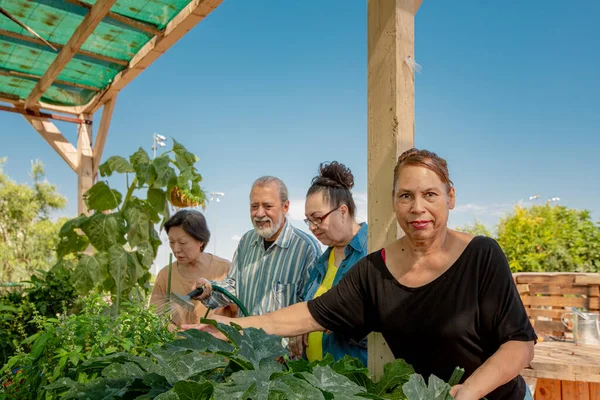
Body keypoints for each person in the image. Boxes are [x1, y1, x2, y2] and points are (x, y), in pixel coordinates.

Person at [184, 149, 536, 400]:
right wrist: (227, 328)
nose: (418, 208)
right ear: (394, 202)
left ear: (451, 197)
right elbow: (306, 315)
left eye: (430, 194)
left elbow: (520, 343)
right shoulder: (375, 271)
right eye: (405, 196)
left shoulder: (481, 255)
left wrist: (470, 391)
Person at [197, 176, 322, 320]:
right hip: (245, 340)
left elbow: (312, 306)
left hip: (283, 342)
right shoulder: (246, 242)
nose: (259, 214)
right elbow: (234, 286)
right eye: (254, 206)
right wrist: (209, 290)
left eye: (268, 206)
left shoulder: (306, 249)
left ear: (285, 207)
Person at [289, 161, 368, 366]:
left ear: (343, 211)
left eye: (317, 218)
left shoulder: (372, 252)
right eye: (308, 220)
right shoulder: (322, 261)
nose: (312, 228)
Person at [149, 209, 230, 327]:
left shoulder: (224, 269)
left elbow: (238, 314)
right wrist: (174, 332)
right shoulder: (166, 275)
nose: (176, 249)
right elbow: (155, 315)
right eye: (171, 242)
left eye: (182, 242)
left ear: (201, 241)